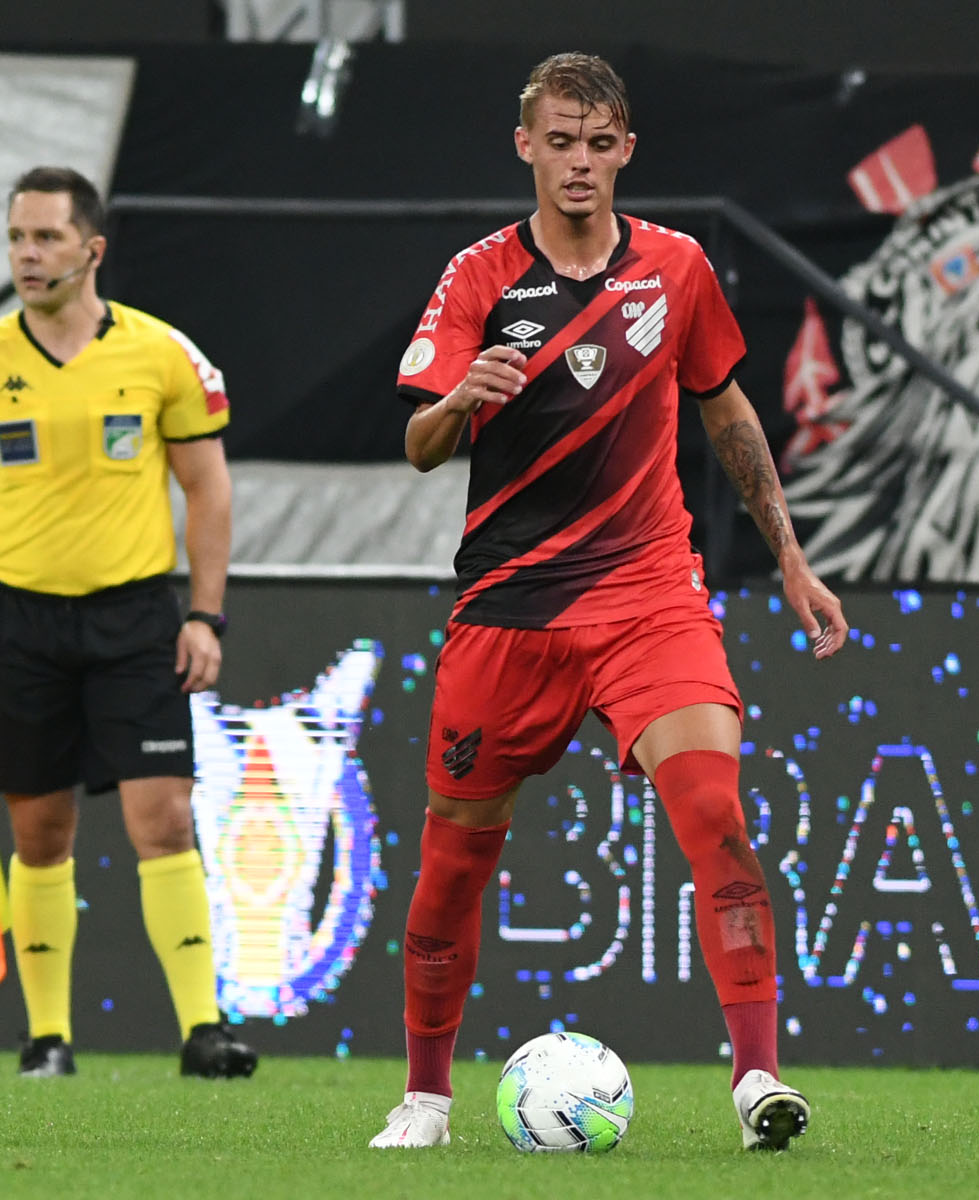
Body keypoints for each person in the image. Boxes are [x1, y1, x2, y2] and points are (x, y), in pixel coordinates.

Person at [368, 52, 849, 1152]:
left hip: (650, 595)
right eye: (560, 141)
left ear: (627, 150)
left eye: (598, 143)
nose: (579, 162)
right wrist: (461, 398)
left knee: (716, 815)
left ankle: (759, 1081)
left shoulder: (676, 269)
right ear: (525, 147)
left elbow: (726, 410)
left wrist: (789, 557)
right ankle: (426, 1099)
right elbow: (418, 445)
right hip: (511, 608)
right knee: (452, 865)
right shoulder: (480, 278)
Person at [0, 166, 254, 1081]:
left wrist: (205, 614)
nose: (27, 255)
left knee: (164, 816)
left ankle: (203, 1030)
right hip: (19, 620)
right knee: (40, 834)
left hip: (134, 617)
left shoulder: (163, 355)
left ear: (92, 249)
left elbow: (208, 488)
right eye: (16, 238)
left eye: (46, 237)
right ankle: (48, 1038)